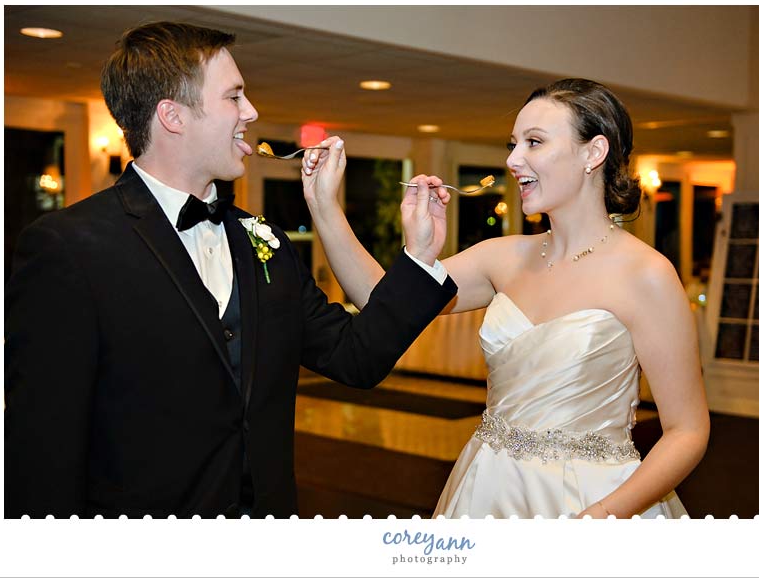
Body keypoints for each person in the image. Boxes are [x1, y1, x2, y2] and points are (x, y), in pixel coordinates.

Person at [4, 21, 457, 519]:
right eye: (234, 97)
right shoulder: (68, 247)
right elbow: (42, 451)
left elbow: (357, 358)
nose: (252, 112)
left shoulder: (263, 242)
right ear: (172, 116)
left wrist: (418, 257)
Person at [302, 78, 710, 518]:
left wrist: (599, 519)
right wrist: (326, 206)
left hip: (594, 502)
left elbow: (687, 431)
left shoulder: (645, 274)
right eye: (513, 144)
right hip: (490, 492)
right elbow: (378, 301)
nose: (513, 160)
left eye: (534, 142)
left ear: (594, 152)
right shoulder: (502, 257)